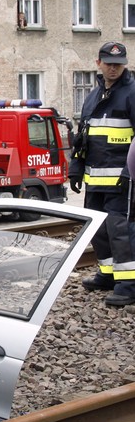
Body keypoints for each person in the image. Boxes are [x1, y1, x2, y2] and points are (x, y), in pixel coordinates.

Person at [69, 41, 135, 307]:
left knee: (120, 231)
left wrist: (132, 172)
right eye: (108, 63)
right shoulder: (93, 96)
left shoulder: (131, 93)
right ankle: (108, 275)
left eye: (118, 64)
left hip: (123, 179)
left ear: (125, 65)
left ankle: (129, 284)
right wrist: (76, 168)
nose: (113, 68)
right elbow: (82, 138)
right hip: (94, 179)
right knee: (97, 230)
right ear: (98, 63)